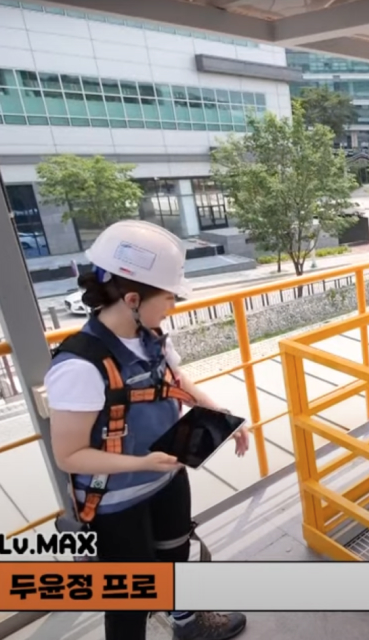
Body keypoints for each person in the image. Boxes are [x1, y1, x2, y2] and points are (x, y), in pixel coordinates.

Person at [44, 220, 249, 640]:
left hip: (166, 477)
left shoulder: (151, 335)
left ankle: (188, 621)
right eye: (169, 297)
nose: (172, 305)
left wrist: (218, 413)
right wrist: (140, 462)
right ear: (133, 298)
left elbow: (178, 381)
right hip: (114, 502)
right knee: (130, 598)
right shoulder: (79, 365)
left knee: (177, 557)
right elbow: (69, 455)